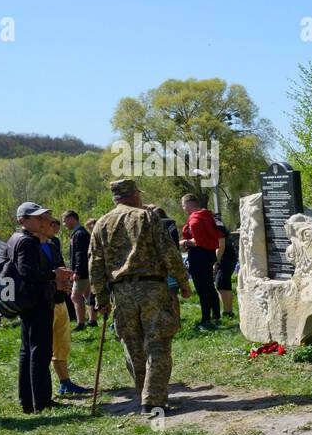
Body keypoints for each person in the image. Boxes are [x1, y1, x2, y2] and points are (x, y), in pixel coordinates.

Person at [89, 179, 192, 417]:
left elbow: (95, 264)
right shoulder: (147, 217)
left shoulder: (101, 224)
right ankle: (153, 400)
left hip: (121, 292)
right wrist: (183, 282)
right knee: (158, 344)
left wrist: (101, 298)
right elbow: (169, 252)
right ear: (134, 195)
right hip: (152, 288)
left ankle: (144, 394)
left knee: (133, 346)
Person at [6, 202, 69, 413]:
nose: (42, 221)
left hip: (26, 302)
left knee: (27, 352)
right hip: (37, 301)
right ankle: (41, 401)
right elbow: (27, 272)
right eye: (36, 218)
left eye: (42, 217)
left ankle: (28, 400)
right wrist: (54, 276)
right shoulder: (28, 242)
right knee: (40, 351)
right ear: (22, 220)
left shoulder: (14, 239)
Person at [43, 217, 90, 396]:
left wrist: (66, 277)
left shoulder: (53, 244)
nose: (50, 225)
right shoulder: (28, 246)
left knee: (62, 344)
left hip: (59, 299)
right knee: (45, 347)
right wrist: (54, 278)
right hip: (44, 303)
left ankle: (65, 382)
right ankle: (41, 391)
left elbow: (59, 265)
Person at [179, 193, 224, 330]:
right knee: (210, 286)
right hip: (210, 255)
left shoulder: (195, 219)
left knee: (202, 289)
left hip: (199, 257)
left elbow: (197, 241)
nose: (184, 209)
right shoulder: (209, 216)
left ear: (188, 205)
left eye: (183, 206)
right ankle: (216, 315)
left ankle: (206, 319)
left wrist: (184, 242)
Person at [63, 211, 95, 330]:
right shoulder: (80, 233)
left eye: (65, 220)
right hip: (86, 271)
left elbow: (80, 254)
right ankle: (92, 320)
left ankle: (81, 323)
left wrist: (77, 271)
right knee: (87, 295)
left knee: (75, 297)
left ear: (72, 219)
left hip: (82, 272)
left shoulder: (79, 234)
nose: (64, 224)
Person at [215, 223, 238, 319]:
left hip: (225, 259)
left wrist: (216, 261)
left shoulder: (217, 227)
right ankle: (227, 311)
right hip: (227, 258)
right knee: (222, 284)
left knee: (222, 284)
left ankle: (228, 312)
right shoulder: (217, 225)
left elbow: (221, 246)